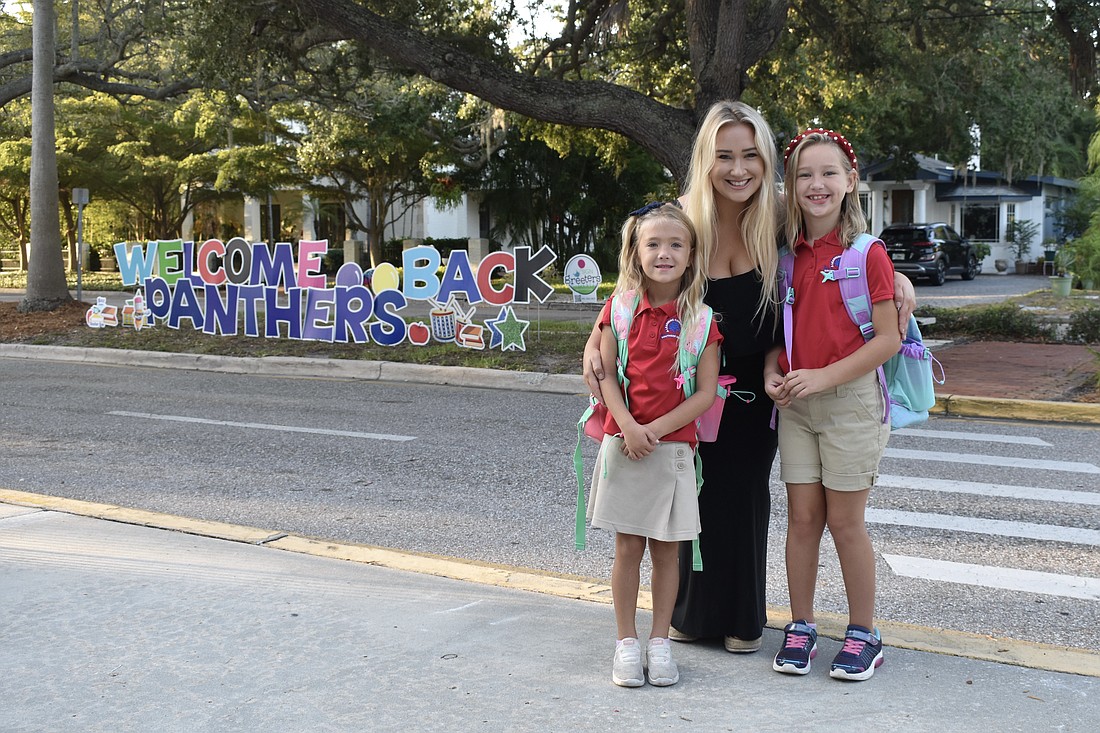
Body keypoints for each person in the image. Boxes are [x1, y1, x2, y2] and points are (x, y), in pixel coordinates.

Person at [583, 101, 916, 655]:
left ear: (765, 160)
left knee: (743, 499)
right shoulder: (684, 218)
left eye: (750, 156)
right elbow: (635, 280)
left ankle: (741, 618)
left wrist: (900, 278)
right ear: (705, 161)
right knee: (691, 502)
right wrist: (597, 337)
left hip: (759, 391)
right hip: (685, 395)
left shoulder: (779, 212)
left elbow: (842, 241)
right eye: (724, 157)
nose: (738, 169)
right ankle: (687, 616)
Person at [763, 128, 901, 681]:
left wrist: (823, 379)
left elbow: (886, 339)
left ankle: (864, 633)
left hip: (849, 403)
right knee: (801, 519)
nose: (816, 184)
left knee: (845, 523)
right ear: (791, 186)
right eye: (804, 174)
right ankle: (801, 625)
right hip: (797, 403)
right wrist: (773, 369)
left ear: (851, 181)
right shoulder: (784, 254)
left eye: (828, 173)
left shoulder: (867, 253)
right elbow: (784, 331)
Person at [587, 201, 722, 687]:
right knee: (628, 547)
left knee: (668, 551)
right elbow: (607, 378)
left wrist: (656, 431)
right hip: (624, 445)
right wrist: (627, 426)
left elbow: (706, 392)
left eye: (676, 245)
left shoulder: (703, 321)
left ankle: (660, 641)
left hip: (672, 451)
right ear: (635, 252)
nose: (664, 253)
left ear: (691, 256)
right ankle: (626, 642)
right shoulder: (618, 310)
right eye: (653, 244)